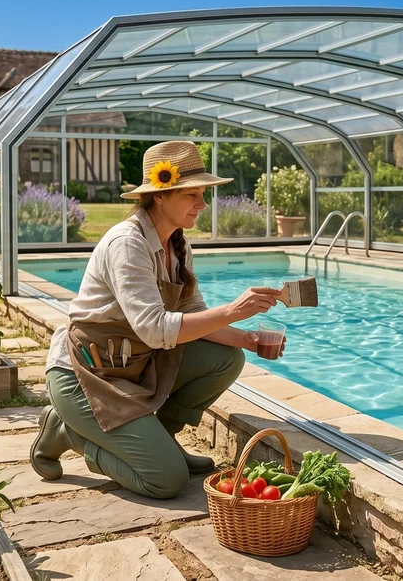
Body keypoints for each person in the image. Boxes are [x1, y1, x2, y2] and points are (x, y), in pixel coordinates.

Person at [30, 140, 285, 499]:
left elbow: (194, 313)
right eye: (192, 194)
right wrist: (233, 309)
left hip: (132, 366)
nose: (202, 204)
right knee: (167, 481)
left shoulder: (177, 244)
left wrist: (245, 338)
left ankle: (160, 439)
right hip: (87, 375)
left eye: (203, 194)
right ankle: (66, 430)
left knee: (226, 358)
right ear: (160, 196)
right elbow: (153, 329)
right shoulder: (127, 243)